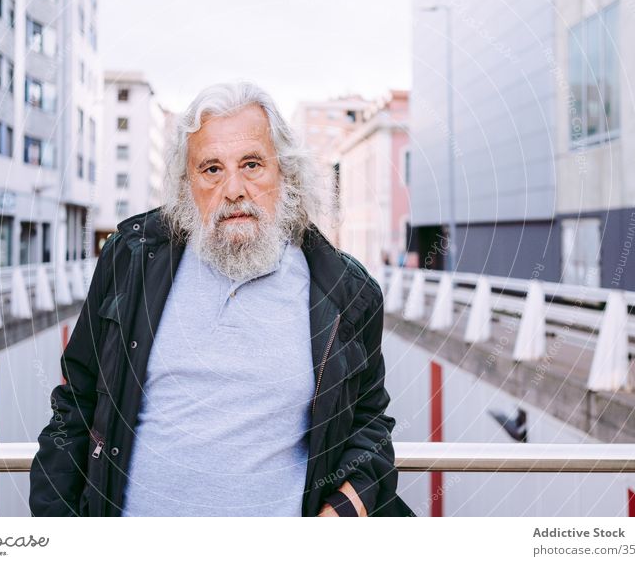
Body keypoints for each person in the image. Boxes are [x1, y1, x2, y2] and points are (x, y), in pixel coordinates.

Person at [29, 82, 415, 517]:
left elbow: (369, 428)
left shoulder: (346, 291)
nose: (233, 189)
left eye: (251, 164)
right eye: (211, 169)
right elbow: (75, 406)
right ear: (186, 184)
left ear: (284, 173)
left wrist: (340, 515)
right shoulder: (130, 258)